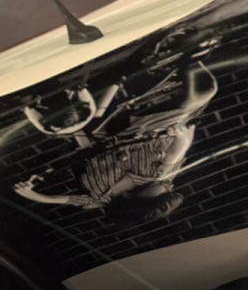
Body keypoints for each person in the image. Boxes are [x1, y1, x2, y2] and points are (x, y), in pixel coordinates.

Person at [14, 60, 219, 224]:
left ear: (139, 201)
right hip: (146, 129)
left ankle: (35, 85)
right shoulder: (160, 177)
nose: (168, 188)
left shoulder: (98, 197)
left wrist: (30, 194)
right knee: (206, 91)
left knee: (71, 119)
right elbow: (178, 150)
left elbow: (59, 199)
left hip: (100, 135)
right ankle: (191, 55)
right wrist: (181, 134)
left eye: (163, 194)